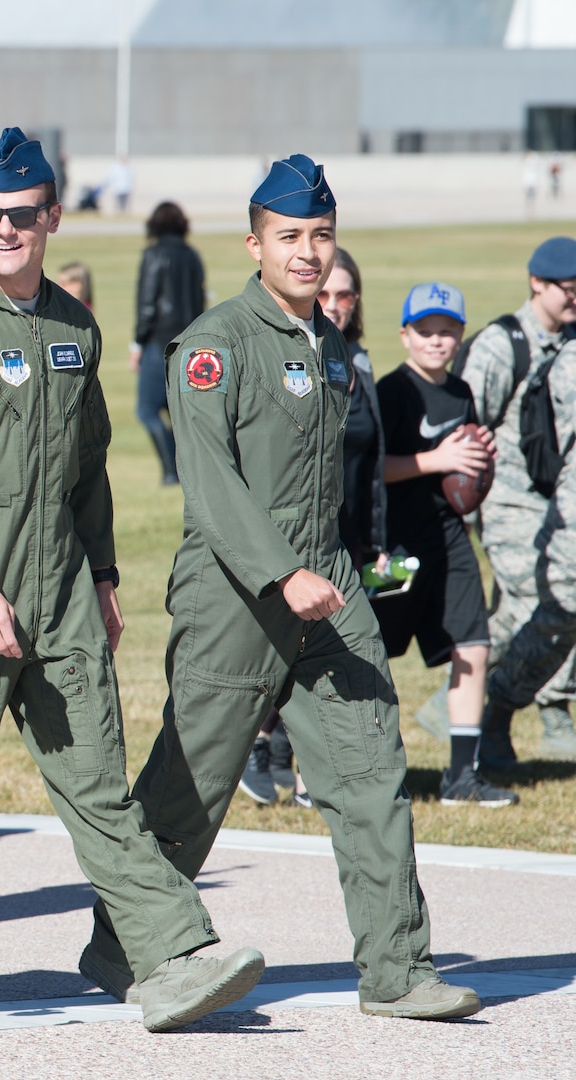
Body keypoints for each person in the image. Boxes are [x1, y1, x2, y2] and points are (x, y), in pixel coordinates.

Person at [0, 127, 263, 1034]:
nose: (4, 229)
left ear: (51, 217)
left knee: (97, 785)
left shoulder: (74, 327)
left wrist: (104, 575)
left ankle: (163, 955)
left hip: (62, 589)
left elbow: (90, 467)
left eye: (22, 215)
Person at [84, 153, 480, 1020]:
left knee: (370, 768)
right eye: (290, 237)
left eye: (321, 236)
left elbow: (338, 476)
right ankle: (126, 944)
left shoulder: (331, 346)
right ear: (253, 243)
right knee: (194, 783)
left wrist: (339, 563)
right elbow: (212, 483)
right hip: (236, 590)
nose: (308, 253)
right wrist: (279, 571)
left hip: (327, 584)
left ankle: (397, 969)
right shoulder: (212, 345)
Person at [242, 247, 381, 807]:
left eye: (346, 295)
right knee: (272, 649)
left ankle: (302, 766)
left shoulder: (354, 361)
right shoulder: (272, 354)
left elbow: (371, 461)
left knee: (329, 657)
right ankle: (259, 746)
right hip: (289, 537)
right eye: (327, 294)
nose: (335, 304)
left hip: (345, 534)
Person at [376, 283, 516, 807]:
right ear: (405, 335)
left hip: (450, 538)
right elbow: (373, 471)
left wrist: (481, 458)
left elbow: (465, 471)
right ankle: (372, 771)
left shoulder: (460, 392)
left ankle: (461, 777)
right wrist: (438, 460)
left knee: (473, 646)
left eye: (447, 331)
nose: (437, 341)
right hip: (393, 547)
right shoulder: (393, 391)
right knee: (375, 652)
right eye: (426, 331)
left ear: (460, 336)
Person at [444, 237, 576, 764]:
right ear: (536, 285)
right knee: (538, 601)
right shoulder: (503, 345)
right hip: (507, 501)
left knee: (551, 608)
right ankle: (489, 707)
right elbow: (466, 425)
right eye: (566, 290)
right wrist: (469, 513)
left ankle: (480, 700)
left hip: (557, 502)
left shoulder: (570, 341)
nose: (574, 299)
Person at [130, 201, 205, 485]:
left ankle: (170, 472)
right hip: (189, 344)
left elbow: (147, 305)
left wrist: (137, 343)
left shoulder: (153, 255)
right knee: (178, 412)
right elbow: (200, 302)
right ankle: (182, 469)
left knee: (147, 409)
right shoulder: (193, 256)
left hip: (158, 343)